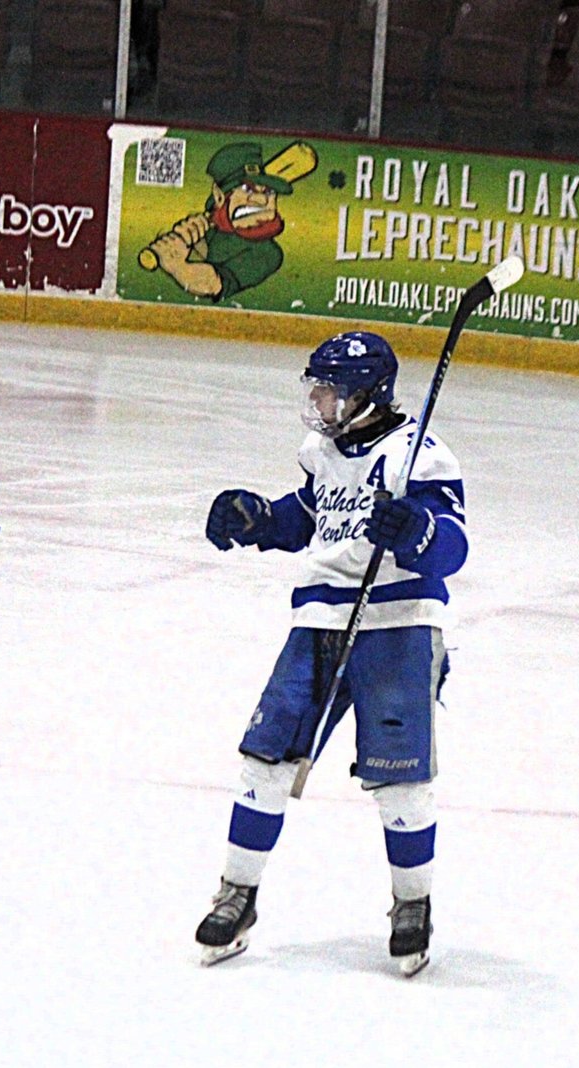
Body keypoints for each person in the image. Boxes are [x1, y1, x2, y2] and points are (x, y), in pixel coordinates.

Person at [194, 331, 467, 976]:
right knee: (266, 761)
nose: (316, 398)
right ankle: (238, 895)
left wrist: (417, 530)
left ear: (367, 395)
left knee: (401, 782)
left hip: (398, 622)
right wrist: (258, 519)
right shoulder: (323, 452)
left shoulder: (417, 456)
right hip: (320, 619)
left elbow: (452, 543)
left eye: (328, 387)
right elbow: (309, 517)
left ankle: (412, 905)